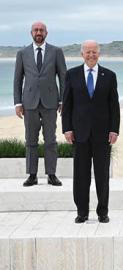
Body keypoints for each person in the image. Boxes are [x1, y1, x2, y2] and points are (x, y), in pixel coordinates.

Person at [62, 40, 120, 223]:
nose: (91, 55)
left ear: (99, 54)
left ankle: (103, 212)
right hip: (79, 133)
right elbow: (67, 105)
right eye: (88, 52)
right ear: (82, 54)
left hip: (103, 134)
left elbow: (114, 106)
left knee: (102, 175)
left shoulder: (109, 76)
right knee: (81, 175)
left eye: (94, 51)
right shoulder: (71, 75)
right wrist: (67, 129)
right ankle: (82, 212)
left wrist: (114, 129)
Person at [13, 21, 66, 187]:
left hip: (50, 103)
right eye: (36, 30)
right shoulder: (22, 53)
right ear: (31, 33)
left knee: (50, 140)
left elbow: (63, 77)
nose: (38, 32)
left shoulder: (56, 52)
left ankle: (51, 175)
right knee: (30, 140)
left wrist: (63, 100)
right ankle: (32, 175)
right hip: (29, 103)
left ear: (46, 33)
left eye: (41, 30)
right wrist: (17, 103)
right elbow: (17, 79)